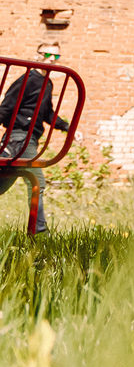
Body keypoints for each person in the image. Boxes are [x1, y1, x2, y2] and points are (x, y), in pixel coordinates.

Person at [0, 48, 71, 234]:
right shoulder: (28, 79)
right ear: (37, 55)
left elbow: (47, 113)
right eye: (47, 54)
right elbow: (6, 107)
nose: (52, 59)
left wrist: (67, 127)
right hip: (20, 137)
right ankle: (40, 232)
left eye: (56, 56)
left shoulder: (47, 83)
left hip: (27, 138)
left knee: (2, 184)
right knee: (37, 181)